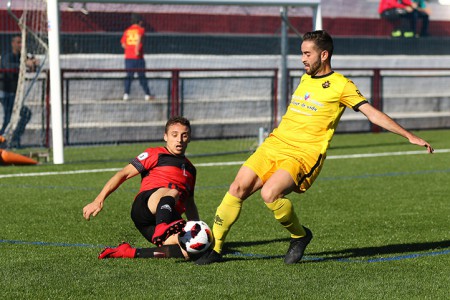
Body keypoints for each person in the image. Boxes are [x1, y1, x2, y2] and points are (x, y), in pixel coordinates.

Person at [194, 30, 434, 265]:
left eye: (307, 53)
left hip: (303, 154)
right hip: (275, 145)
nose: (302, 59)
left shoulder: (341, 85)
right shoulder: (305, 78)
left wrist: (408, 135)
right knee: (237, 187)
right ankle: (215, 249)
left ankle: (299, 236)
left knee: (270, 194)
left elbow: (371, 114)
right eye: (301, 53)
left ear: (324, 55)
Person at [82, 116, 199, 260]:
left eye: (184, 135)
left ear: (189, 138)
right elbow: (123, 174)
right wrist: (98, 199)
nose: (179, 139)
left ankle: (127, 252)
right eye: (174, 135)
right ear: (165, 137)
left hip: (164, 217)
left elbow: (189, 203)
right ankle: (162, 226)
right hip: (145, 206)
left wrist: (197, 228)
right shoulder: (155, 154)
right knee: (173, 190)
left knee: (189, 250)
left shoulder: (191, 170)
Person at [0, 35, 36, 148]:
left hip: (14, 94)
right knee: (8, 119)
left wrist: (32, 63)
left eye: (22, 43)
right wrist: (24, 64)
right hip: (5, 93)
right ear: (13, 43)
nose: (21, 45)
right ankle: (4, 141)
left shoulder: (21, 56)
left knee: (25, 114)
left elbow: (27, 64)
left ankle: (14, 138)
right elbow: (7, 66)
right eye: (18, 42)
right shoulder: (8, 55)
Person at [121, 13, 154, 102]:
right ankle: (147, 94)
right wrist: (136, 49)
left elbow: (123, 44)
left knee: (129, 76)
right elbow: (139, 39)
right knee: (142, 76)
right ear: (140, 22)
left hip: (128, 57)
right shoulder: (141, 29)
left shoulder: (127, 31)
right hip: (138, 57)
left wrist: (130, 49)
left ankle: (126, 94)